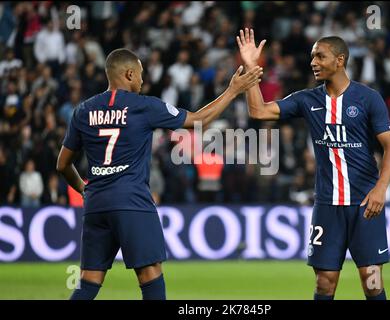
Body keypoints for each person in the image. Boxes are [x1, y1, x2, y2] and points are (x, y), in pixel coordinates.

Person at [56, 48, 262, 300]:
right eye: (141, 74)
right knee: (150, 275)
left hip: (97, 204)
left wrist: (83, 189)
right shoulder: (144, 107)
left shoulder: (83, 110)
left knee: (88, 282)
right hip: (132, 201)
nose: (143, 80)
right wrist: (233, 90)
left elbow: (63, 164)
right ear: (130, 74)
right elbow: (199, 120)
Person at [236, 28, 390, 300]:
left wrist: (381, 189)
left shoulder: (368, 98)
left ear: (340, 60)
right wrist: (252, 68)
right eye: (312, 57)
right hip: (326, 205)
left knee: (371, 281)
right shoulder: (307, 99)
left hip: (364, 204)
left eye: (320, 56)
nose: (313, 62)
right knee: (324, 283)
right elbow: (258, 111)